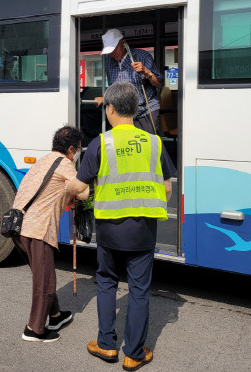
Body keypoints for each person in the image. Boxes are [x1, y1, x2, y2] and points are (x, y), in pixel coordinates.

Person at [67, 82, 176, 370]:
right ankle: (134, 354)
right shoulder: (155, 142)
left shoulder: (101, 144)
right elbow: (166, 190)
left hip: (110, 230)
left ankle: (106, 346)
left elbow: (80, 186)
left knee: (106, 283)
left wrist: (68, 186)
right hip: (142, 231)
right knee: (139, 290)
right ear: (136, 109)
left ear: (111, 109)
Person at [13, 126, 90, 343]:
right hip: (38, 229)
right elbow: (82, 192)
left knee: (42, 275)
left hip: (18, 228)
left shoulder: (44, 160)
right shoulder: (65, 164)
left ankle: (55, 316)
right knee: (45, 282)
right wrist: (74, 187)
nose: (76, 156)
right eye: (78, 152)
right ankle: (34, 329)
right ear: (72, 149)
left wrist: (65, 191)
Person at [96, 28, 164, 134]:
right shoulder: (107, 60)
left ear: (124, 43)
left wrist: (146, 72)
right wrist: (106, 97)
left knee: (147, 144)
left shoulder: (142, 56)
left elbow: (159, 84)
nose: (112, 53)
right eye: (109, 51)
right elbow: (113, 87)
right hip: (122, 112)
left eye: (114, 49)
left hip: (145, 110)